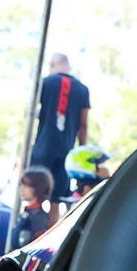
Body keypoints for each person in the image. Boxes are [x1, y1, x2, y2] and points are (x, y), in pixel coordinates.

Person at [30, 53, 90, 216]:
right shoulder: (82, 89)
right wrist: (81, 153)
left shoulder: (45, 83)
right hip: (66, 154)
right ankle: (51, 231)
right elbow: (83, 125)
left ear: (52, 65)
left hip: (42, 150)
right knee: (56, 202)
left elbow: (29, 113)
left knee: (35, 198)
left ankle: (33, 228)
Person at [12, 167, 54, 248]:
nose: (21, 189)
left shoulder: (39, 217)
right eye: (21, 185)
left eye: (26, 185)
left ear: (38, 188)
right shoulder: (27, 212)